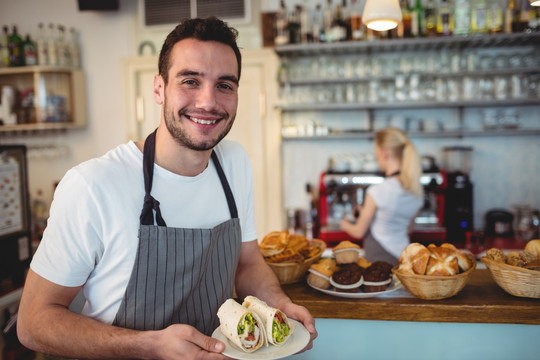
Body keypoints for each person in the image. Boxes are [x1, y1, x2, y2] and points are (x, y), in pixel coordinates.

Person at [17, 17, 316, 360]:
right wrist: (148, 345)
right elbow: (32, 322)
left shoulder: (235, 163)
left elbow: (247, 263)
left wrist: (278, 306)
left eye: (225, 85)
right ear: (159, 88)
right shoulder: (92, 185)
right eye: (190, 80)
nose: (208, 102)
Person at [340, 127, 423, 265]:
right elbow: (408, 228)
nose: (376, 157)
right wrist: (366, 214)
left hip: (380, 260)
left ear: (384, 153)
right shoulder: (416, 190)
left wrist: (344, 224)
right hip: (404, 258)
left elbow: (359, 231)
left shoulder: (379, 190)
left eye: (376, 152)